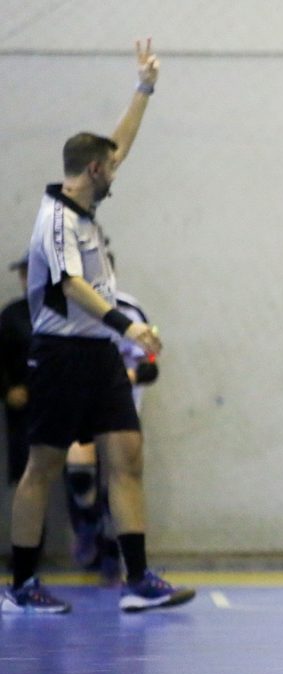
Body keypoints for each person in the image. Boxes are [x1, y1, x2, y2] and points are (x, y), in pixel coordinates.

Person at [1, 39, 195, 614]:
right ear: (92, 170)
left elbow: (120, 145)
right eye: (110, 167)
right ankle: (21, 585)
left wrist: (144, 88)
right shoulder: (57, 220)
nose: (117, 171)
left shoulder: (86, 208)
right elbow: (70, 286)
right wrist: (126, 327)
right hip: (60, 354)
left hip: (99, 357)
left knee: (126, 456)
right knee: (43, 466)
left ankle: (137, 580)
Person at [64, 285, 159, 586]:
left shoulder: (129, 309)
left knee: (118, 480)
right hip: (78, 403)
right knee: (80, 471)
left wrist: (128, 374)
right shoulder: (66, 306)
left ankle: (113, 554)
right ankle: (88, 523)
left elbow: (151, 368)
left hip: (120, 407)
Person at [0, 253, 31, 486]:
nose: (26, 280)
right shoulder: (12, 316)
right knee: (26, 477)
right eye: (23, 275)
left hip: (63, 405)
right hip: (25, 408)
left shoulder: (67, 313)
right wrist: (7, 390)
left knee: (79, 474)